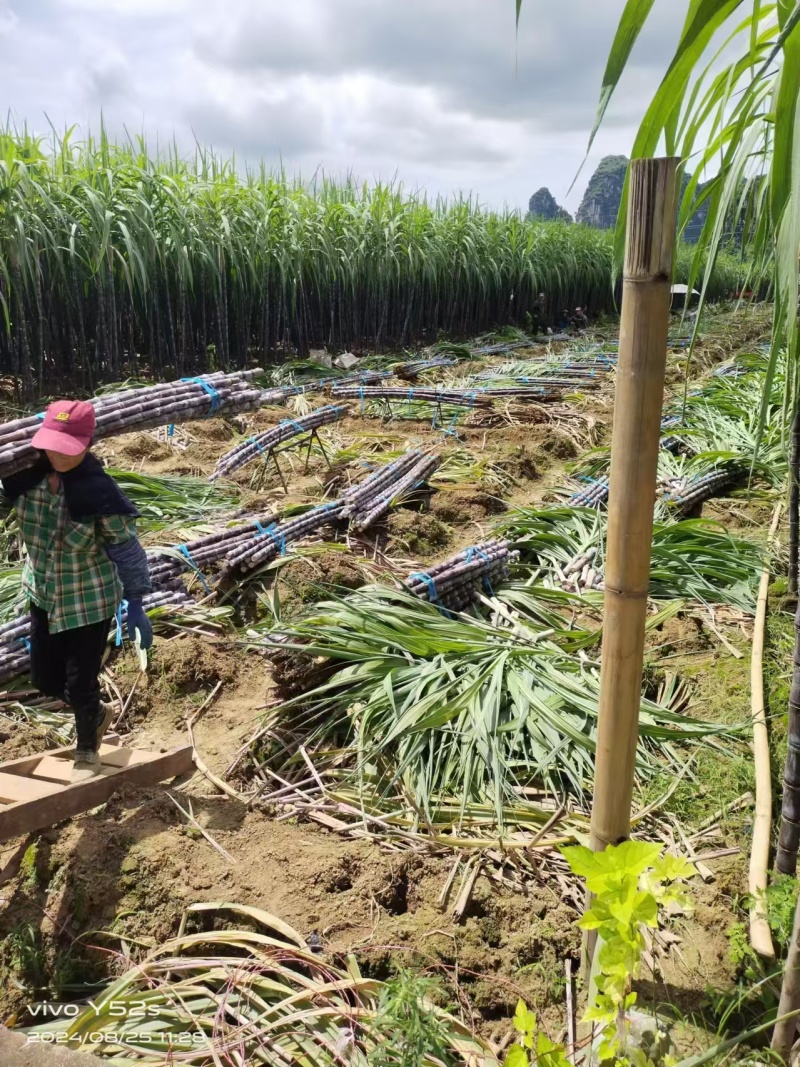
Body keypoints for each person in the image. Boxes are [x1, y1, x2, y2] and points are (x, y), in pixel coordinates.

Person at [1, 400, 154, 782]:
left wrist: (136, 602)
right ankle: (99, 715)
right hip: (44, 595)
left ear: (87, 443)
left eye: (69, 449)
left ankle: (88, 749)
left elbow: (127, 550)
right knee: (45, 681)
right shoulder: (23, 480)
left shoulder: (98, 492)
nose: (59, 456)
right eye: (53, 445)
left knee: (79, 681)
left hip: (89, 600)